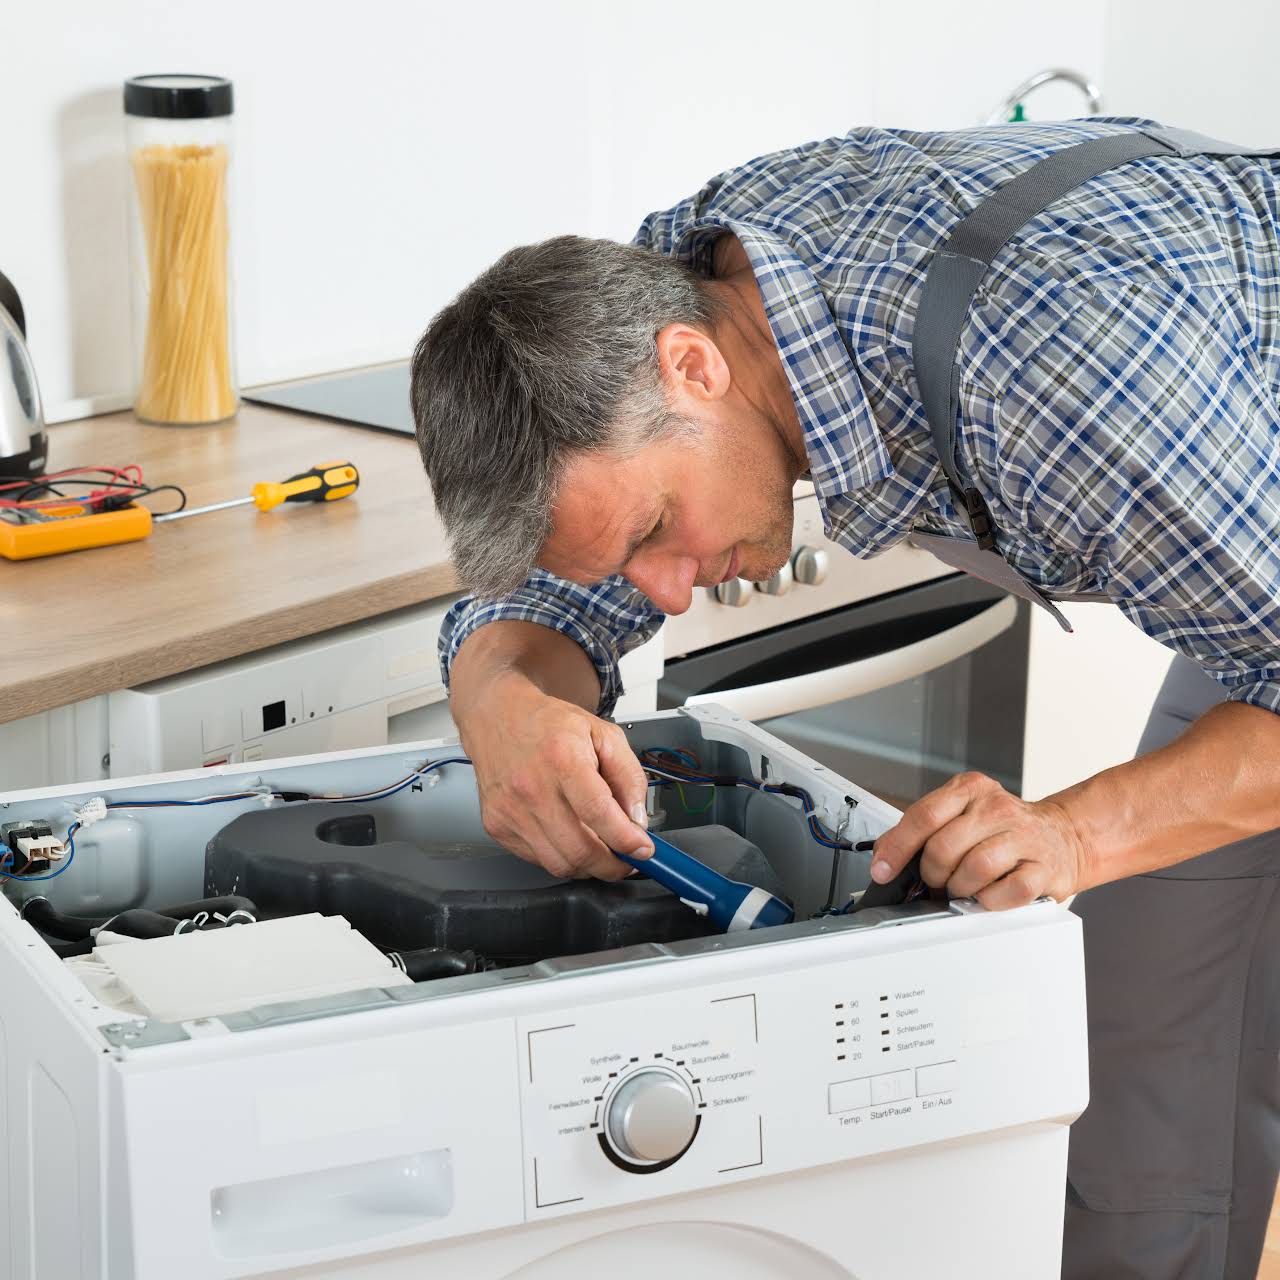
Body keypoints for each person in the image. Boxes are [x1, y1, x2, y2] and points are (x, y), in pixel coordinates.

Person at [410, 118, 1280, 1278]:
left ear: (691, 369)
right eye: (624, 563)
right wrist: (498, 695)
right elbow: (551, 602)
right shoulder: (681, 288)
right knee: (1146, 1037)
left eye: (656, 532)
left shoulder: (1044, 372)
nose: (664, 590)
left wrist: (1070, 830)